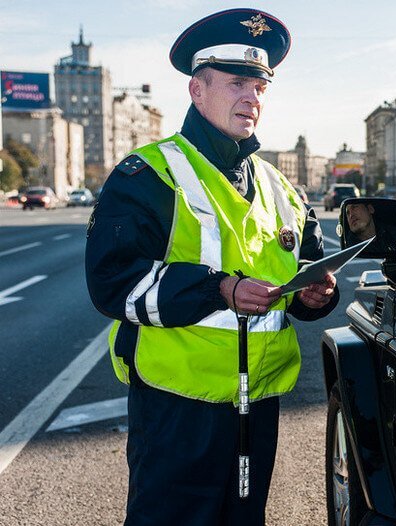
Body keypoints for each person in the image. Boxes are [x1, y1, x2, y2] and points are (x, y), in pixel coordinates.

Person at [85, 9, 338, 525]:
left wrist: (317, 293)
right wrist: (218, 287)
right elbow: (114, 282)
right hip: (179, 404)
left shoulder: (279, 185)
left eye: (261, 86)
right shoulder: (147, 174)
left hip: (259, 399)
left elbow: (304, 262)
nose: (253, 97)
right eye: (238, 83)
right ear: (197, 91)